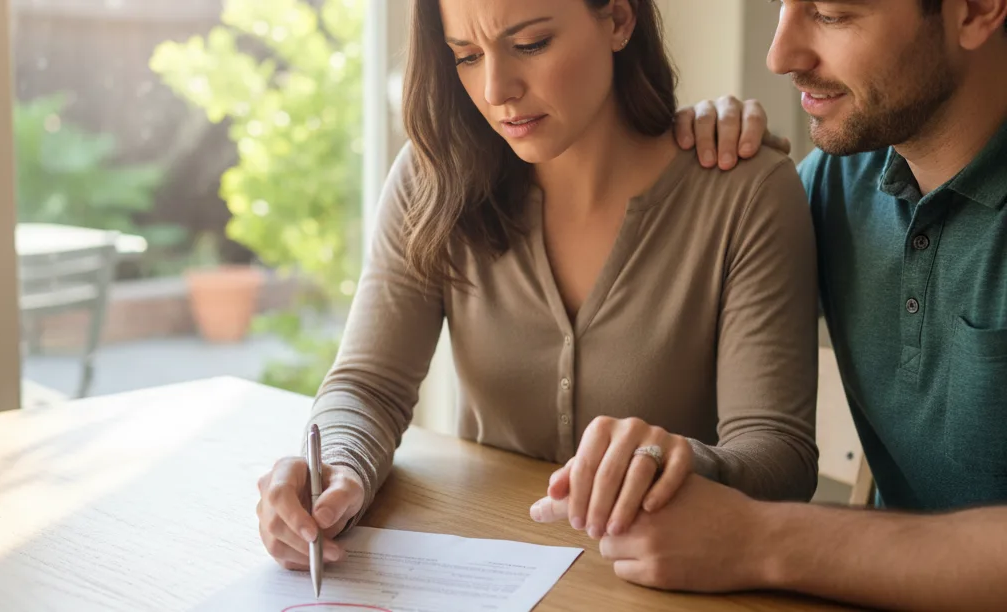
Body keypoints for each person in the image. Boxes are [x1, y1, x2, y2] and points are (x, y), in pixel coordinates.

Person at [255, 0, 820, 571]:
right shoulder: (433, 182)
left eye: (530, 45)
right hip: (479, 579)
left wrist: (673, 464)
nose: (497, 89)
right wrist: (337, 471)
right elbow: (369, 386)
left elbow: (779, 459)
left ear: (619, 20)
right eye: (468, 56)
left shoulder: (746, 195)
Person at [532, 0, 1007, 610]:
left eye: (832, 15)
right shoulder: (839, 184)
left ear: (974, 11)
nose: (780, 55)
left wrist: (756, 540)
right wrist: (722, 177)